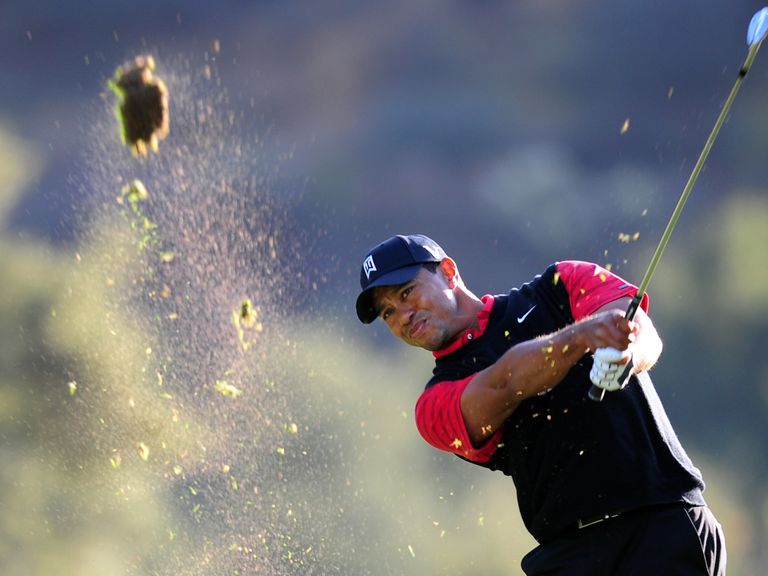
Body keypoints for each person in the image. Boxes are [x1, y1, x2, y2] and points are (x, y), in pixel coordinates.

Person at [355, 234, 726, 576]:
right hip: (568, 556)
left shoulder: (561, 284)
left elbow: (639, 329)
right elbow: (505, 384)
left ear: (449, 272)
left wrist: (629, 355)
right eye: (387, 313)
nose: (401, 315)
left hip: (663, 526)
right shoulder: (433, 406)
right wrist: (581, 336)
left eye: (406, 293)